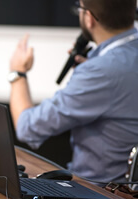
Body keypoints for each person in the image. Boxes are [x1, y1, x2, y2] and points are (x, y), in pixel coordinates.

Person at [9, 0, 138, 184]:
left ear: (89, 18)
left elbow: (28, 127)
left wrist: (18, 73)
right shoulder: (106, 66)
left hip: (98, 191)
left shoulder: (99, 71)